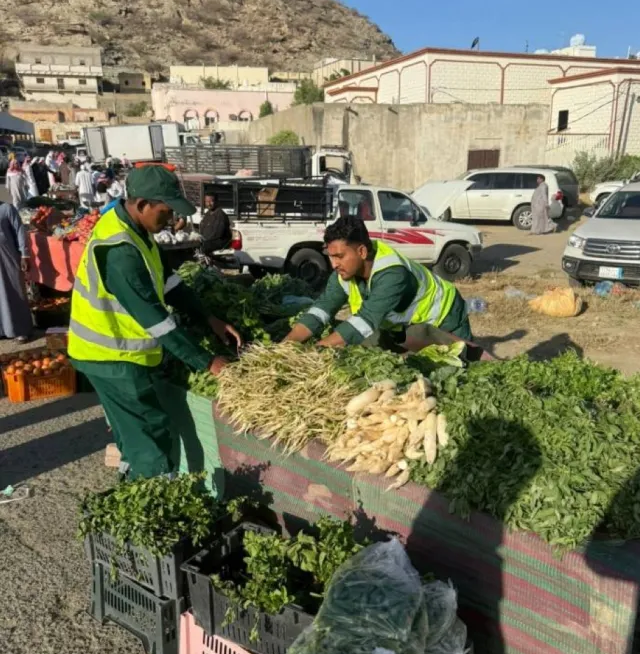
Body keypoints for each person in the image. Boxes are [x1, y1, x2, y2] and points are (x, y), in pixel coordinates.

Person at [68, 165, 242, 480]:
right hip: (112, 357)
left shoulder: (136, 229)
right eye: (166, 211)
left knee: (132, 431)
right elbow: (157, 321)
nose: (171, 218)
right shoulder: (120, 251)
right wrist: (207, 362)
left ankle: (132, 479)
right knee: (151, 433)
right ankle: (156, 490)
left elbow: (170, 283)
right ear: (143, 204)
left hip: (114, 354)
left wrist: (209, 318)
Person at [284, 216, 489, 360]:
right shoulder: (344, 273)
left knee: (462, 364)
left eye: (339, 256)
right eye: (330, 256)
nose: (333, 264)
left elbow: (365, 321)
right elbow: (322, 308)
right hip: (412, 327)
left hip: (445, 314)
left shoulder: (392, 274)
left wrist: (315, 352)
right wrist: (286, 347)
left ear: (362, 252)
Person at [0, 202, 33, 342]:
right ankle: (3, 330)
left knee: (15, 290)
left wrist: (25, 255)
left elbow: (19, 230)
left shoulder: (6, 209)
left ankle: (20, 330)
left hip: (8, 258)